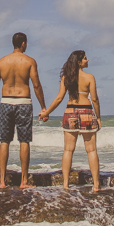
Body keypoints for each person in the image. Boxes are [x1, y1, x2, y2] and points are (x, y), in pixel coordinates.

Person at [0, 32, 47, 189]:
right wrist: (43, 107)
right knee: (24, 140)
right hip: (24, 102)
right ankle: (24, 181)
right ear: (23, 44)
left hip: (6, 102)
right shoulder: (29, 61)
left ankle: (2, 181)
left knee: (4, 140)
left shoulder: (1, 62)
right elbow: (36, 85)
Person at [40, 49, 102, 193]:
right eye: (85, 58)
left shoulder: (66, 78)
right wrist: (98, 117)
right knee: (91, 150)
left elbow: (59, 98)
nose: (87, 60)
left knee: (68, 150)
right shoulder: (90, 77)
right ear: (79, 62)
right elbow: (94, 99)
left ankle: (66, 184)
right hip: (87, 112)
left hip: (71, 112)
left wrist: (46, 113)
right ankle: (96, 185)